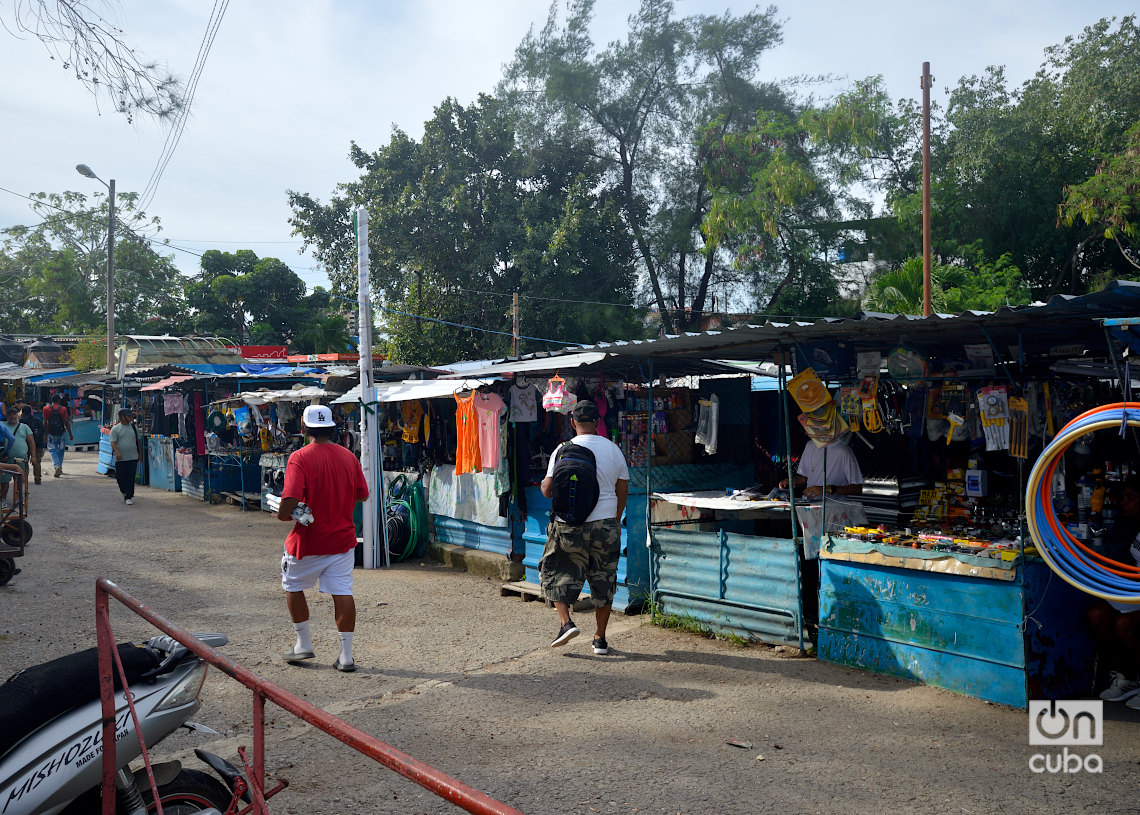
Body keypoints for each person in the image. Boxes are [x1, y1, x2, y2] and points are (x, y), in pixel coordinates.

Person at [277, 404, 369, 672]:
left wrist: (285, 515)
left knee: (293, 586)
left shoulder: (299, 457)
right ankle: (346, 656)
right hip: (342, 540)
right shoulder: (348, 457)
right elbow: (363, 494)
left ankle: (303, 644)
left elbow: (291, 496)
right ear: (332, 428)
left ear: (304, 429)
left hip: (309, 541)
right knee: (343, 592)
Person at [539, 400, 629, 655]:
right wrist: (616, 518)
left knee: (556, 570)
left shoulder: (562, 449)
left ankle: (566, 622)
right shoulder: (613, 449)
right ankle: (600, 639)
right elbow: (622, 488)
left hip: (569, 524)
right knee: (603, 578)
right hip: (605, 524)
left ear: (572, 422)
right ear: (598, 422)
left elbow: (547, 490)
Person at [1086, 476, 1140, 708]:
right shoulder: (1135, 528)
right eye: (1123, 498)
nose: (1124, 503)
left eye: (1131, 498)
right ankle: (1128, 678)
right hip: (1136, 592)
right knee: (1096, 615)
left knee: (1124, 625)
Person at [780, 432, 864, 500]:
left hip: (833, 510)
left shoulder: (843, 450)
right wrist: (792, 481)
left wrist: (826, 489)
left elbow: (857, 488)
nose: (806, 432)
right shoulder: (810, 445)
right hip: (809, 507)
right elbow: (805, 478)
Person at [0, 407, 35, 507]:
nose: (12, 416)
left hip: (21, 458)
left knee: (19, 479)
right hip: (6, 459)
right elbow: (11, 439)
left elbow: (31, 442)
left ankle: (18, 499)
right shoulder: (3, 425)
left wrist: (34, 456)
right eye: (10, 414)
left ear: (18, 415)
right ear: (7, 416)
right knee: (4, 481)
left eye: (14, 414)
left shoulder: (24, 427)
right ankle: (3, 499)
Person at [108, 409, 140, 505]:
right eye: (129, 416)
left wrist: (140, 455)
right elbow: (113, 443)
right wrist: (118, 453)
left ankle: (129, 496)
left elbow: (138, 442)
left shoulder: (134, 428)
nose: (131, 418)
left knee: (131, 477)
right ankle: (124, 491)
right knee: (120, 477)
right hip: (121, 459)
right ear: (122, 417)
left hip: (133, 457)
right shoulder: (116, 429)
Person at [42, 394, 72, 478]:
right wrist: (70, 433)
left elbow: (44, 422)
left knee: (52, 450)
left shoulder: (46, 408)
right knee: (61, 450)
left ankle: (56, 466)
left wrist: (44, 434)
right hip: (61, 432)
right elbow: (66, 422)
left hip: (50, 433)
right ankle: (59, 467)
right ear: (59, 400)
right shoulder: (63, 409)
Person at [20, 405, 45, 485]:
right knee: (37, 462)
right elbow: (42, 433)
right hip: (37, 444)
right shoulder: (37, 420)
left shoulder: (22, 421)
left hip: (26, 445)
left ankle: (23, 477)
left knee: (24, 461)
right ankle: (37, 478)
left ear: (23, 413)